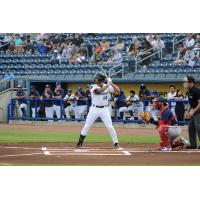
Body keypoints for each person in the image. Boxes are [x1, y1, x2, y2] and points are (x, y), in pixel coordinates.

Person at [76, 73, 120, 148]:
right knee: (87, 125)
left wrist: (111, 83)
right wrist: (108, 84)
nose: (95, 79)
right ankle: (79, 143)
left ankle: (116, 143)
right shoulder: (92, 86)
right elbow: (99, 91)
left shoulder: (108, 86)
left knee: (109, 126)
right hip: (94, 109)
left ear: (100, 79)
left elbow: (118, 91)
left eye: (96, 78)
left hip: (104, 109)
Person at [183, 76, 200, 149]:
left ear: (191, 83)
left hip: (198, 111)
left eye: (186, 82)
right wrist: (187, 111)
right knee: (191, 128)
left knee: (198, 127)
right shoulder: (189, 91)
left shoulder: (196, 90)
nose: (184, 83)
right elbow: (191, 103)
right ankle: (193, 145)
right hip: (194, 111)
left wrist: (193, 111)